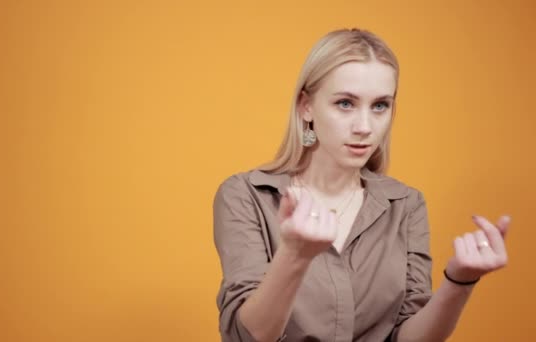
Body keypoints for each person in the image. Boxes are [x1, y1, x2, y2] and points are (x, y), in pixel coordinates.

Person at [212, 28, 511, 342]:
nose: (365, 127)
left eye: (380, 105)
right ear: (306, 107)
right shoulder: (246, 195)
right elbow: (247, 335)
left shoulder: (405, 204)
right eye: (345, 103)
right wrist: (295, 256)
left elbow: (407, 336)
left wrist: (459, 282)